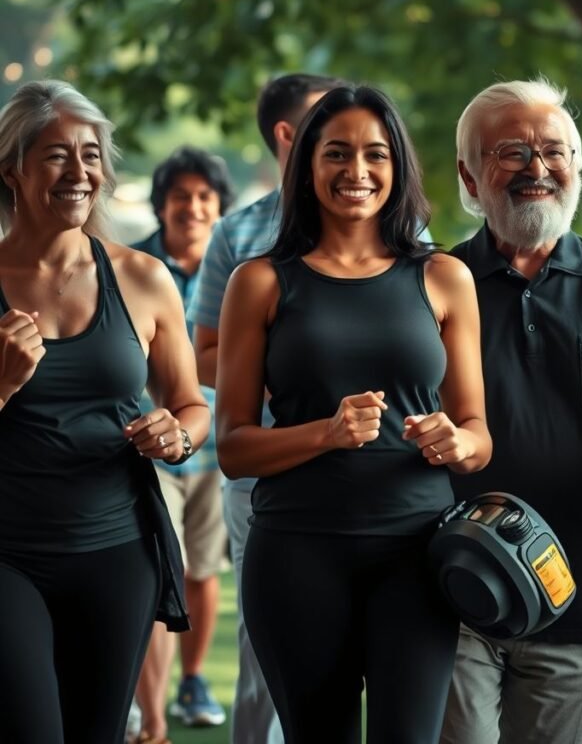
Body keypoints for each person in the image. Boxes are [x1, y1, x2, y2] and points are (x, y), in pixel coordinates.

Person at [215, 84, 490, 743]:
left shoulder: (444, 277)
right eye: (336, 153)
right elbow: (232, 446)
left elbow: (479, 435)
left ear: (398, 168)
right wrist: (326, 433)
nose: (356, 171)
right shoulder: (258, 282)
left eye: (375, 154)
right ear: (307, 163)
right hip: (296, 556)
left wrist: (458, 443)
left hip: (416, 558)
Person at [441, 78, 582, 744]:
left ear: (577, 166)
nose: (538, 169)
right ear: (469, 174)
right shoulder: (432, 282)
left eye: (555, 151)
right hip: (453, 587)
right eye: (512, 152)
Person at [0, 80, 210, 743]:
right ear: (12, 170)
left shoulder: (143, 279)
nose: (80, 171)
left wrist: (176, 434)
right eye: (57, 155)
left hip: (118, 554)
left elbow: (190, 405)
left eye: (91, 155)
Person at [189, 72, 344, 744]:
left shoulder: (397, 223)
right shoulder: (236, 234)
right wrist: (279, 374)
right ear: (288, 135)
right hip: (262, 474)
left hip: (364, 469)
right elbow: (201, 355)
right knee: (267, 647)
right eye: (326, 125)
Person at [132, 147, 236, 741]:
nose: (192, 208)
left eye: (204, 197)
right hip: (146, 449)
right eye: (181, 196)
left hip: (217, 449)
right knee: (153, 573)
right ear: (162, 204)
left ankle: (192, 681)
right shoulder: (134, 265)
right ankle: (148, 714)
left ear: (218, 207)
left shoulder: (234, 271)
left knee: (199, 569)